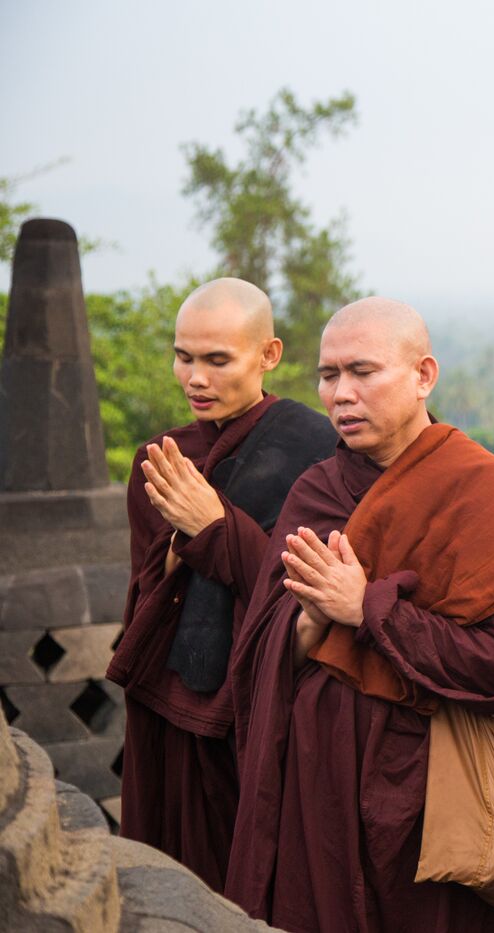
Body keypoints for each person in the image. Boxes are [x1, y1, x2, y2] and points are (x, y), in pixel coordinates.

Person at [224, 297, 494, 933]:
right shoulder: (316, 492)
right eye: (328, 375)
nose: (341, 393)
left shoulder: (492, 496)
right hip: (318, 774)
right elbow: (262, 643)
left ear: (423, 375)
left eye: (363, 372)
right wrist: (307, 627)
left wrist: (368, 610)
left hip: (436, 783)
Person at [105, 277, 337, 889]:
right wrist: (179, 549)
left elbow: (313, 594)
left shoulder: (317, 453)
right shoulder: (162, 459)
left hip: (261, 706)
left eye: (217, 359)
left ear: (268, 355)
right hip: (171, 692)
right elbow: (143, 593)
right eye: (184, 357)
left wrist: (212, 530)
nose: (195, 379)